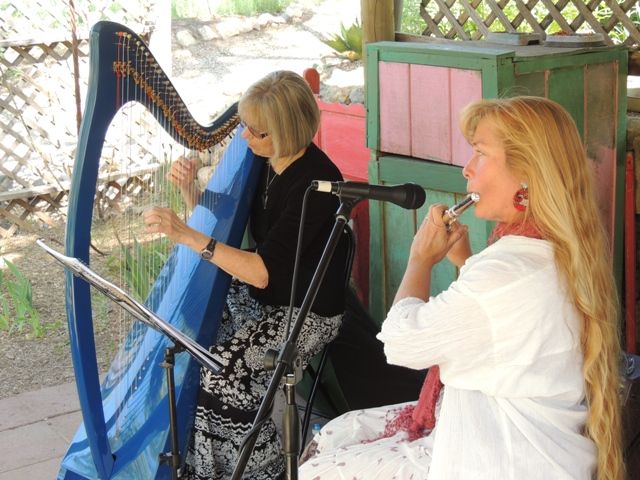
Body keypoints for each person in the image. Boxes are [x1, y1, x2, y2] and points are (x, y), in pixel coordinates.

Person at [299, 96, 623, 480]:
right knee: (338, 431)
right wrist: (466, 263)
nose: (467, 169)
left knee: (317, 468)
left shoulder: (505, 271)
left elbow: (402, 344)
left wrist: (420, 260)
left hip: (500, 460)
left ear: (527, 173)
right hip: (531, 442)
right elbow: (503, 322)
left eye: (480, 153)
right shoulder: (553, 250)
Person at [143, 70, 348, 479]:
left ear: (288, 132)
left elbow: (261, 272)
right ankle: (200, 464)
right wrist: (189, 191)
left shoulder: (318, 185)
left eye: (257, 131)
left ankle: (261, 470)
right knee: (184, 340)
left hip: (305, 310)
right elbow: (224, 228)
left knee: (222, 370)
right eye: (245, 125)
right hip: (262, 295)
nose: (245, 136)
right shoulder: (263, 161)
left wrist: (185, 234)